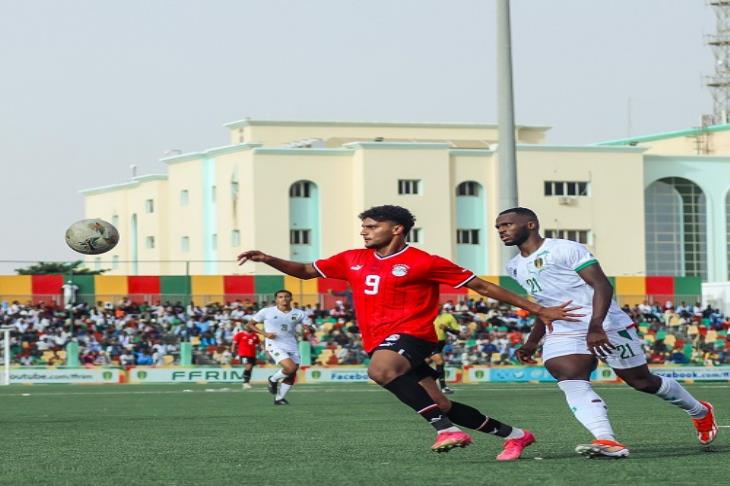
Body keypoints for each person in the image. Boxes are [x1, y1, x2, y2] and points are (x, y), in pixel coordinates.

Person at [238, 204, 581, 459]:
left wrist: (538, 309)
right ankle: (516, 435)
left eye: (373, 226)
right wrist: (268, 259)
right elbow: (303, 270)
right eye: (364, 227)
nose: (365, 231)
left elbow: (482, 287)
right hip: (378, 338)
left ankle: (445, 431)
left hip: (413, 335)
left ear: (397, 229)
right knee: (439, 402)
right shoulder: (351, 259)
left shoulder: (424, 261)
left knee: (380, 370)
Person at [496, 207, 718, 458]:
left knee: (642, 382)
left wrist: (596, 325)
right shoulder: (514, 266)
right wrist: (532, 341)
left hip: (607, 324)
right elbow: (544, 305)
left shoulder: (565, 249)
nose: (502, 231)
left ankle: (699, 411)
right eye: (498, 227)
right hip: (564, 329)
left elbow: (602, 285)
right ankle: (607, 440)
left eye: (507, 225)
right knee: (569, 377)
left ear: (530, 225)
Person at [247, 290, 313, 405]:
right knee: (290, 368)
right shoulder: (267, 311)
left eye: (287, 296)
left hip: (291, 344)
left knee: (292, 373)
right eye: (281, 297)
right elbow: (249, 325)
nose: (284, 299)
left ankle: (279, 398)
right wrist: (265, 334)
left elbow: (308, 326)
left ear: (291, 298)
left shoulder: (299, 313)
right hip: (274, 343)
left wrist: (308, 329)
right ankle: (273, 379)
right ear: (276, 299)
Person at [430, 303, 461, 394]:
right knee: (440, 361)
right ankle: (443, 387)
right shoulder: (427, 316)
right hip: (430, 342)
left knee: (425, 362)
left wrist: (447, 328)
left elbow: (457, 332)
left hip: (441, 343)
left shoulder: (448, 317)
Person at [231, 319, 260, 390]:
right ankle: (245, 382)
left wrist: (260, 349)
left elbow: (257, 344)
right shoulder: (239, 334)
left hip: (252, 354)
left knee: (250, 368)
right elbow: (234, 344)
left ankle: (247, 381)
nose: (249, 327)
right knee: (248, 366)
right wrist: (233, 351)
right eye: (247, 326)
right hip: (243, 354)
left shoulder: (255, 335)